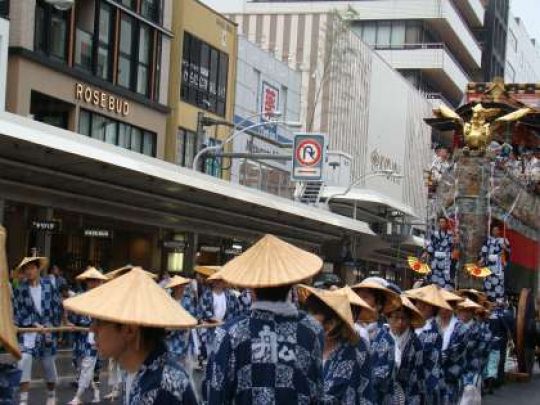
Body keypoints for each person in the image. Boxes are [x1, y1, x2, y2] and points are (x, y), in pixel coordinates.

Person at [204, 234, 325, 404]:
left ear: (252, 288)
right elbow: (317, 389)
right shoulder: (312, 329)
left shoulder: (230, 333)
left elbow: (215, 391)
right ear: (291, 285)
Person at [63, 267, 198, 404]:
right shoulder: (139, 370)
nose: (92, 329)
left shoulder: (161, 388)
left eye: (100, 321)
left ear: (129, 330)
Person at [302, 286, 374, 404]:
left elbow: (332, 396)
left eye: (314, 313)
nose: (307, 318)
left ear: (331, 324)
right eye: (307, 312)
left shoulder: (353, 351)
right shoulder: (308, 346)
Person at [12, 256, 61, 405]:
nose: (29, 271)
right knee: (24, 361)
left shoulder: (48, 286)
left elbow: (56, 306)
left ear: (38, 269)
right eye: (26, 269)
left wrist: (53, 325)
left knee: (48, 365)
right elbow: (18, 313)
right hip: (29, 332)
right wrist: (33, 324)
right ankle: (23, 400)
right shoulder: (20, 289)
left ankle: (52, 395)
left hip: (46, 331)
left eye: (32, 268)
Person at [352, 277, 401, 404]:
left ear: (379, 305)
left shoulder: (385, 340)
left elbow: (379, 381)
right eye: (358, 296)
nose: (359, 301)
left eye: (365, 297)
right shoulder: (348, 331)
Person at [67, 267, 108, 405]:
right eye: (90, 281)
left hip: (95, 336)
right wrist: (70, 323)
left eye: (95, 281)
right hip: (81, 335)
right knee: (85, 366)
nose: (93, 284)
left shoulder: (104, 299)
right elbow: (70, 312)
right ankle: (96, 391)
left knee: (88, 365)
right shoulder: (80, 296)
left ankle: (78, 397)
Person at [405, 284, 451, 405]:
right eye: (419, 302)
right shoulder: (409, 325)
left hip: (423, 385)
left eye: (427, 303)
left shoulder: (434, 332)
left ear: (434, 307)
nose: (421, 306)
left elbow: (431, 366)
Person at [387, 295, 425, 405]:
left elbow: (417, 379)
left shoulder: (416, 344)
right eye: (396, 317)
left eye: (403, 318)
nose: (400, 322)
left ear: (409, 320)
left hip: (408, 395)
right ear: (389, 318)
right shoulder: (382, 339)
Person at [437, 291, 467, 405]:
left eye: (448, 305)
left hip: (450, 378)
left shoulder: (461, 329)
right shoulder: (432, 324)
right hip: (432, 379)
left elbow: (451, 353)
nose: (444, 309)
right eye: (441, 305)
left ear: (453, 308)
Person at [164, 275, 198, 370]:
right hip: (171, 339)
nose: (182, 288)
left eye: (183, 286)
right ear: (174, 288)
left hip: (186, 338)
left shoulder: (187, 300)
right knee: (172, 367)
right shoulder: (167, 302)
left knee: (185, 369)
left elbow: (194, 317)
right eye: (180, 286)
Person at [456, 299, 484, 405]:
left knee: (468, 400)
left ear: (472, 313)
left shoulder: (477, 329)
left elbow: (477, 349)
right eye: (462, 310)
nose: (464, 313)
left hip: (471, 369)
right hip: (455, 370)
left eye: (467, 311)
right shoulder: (456, 326)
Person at [423, 217, 457, 289]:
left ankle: (446, 293)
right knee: (434, 277)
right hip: (436, 259)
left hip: (446, 259)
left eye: (443, 222)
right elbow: (431, 245)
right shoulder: (435, 234)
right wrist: (427, 253)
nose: (442, 224)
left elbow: (453, 246)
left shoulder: (450, 235)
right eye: (440, 222)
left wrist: (455, 242)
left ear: (446, 223)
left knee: (446, 278)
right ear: (438, 223)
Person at [480, 225, 510, 302]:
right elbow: (484, 251)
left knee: (498, 283)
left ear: (499, 231)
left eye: (497, 230)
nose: (495, 231)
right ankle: (487, 301)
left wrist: (505, 248)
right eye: (494, 230)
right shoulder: (488, 240)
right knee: (488, 283)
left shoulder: (504, 240)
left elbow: (509, 251)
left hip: (498, 264)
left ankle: (498, 302)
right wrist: (482, 259)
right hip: (488, 264)